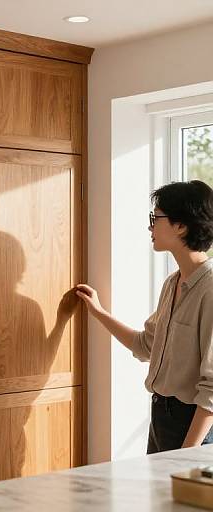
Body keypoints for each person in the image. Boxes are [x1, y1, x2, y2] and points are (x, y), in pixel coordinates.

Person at [76, 180, 213, 453]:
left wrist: (187, 452)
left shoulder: (210, 289)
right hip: (161, 417)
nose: (150, 226)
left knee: (181, 497)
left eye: (156, 217)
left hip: (194, 426)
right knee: (158, 496)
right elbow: (145, 346)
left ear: (181, 225)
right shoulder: (172, 284)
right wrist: (99, 313)